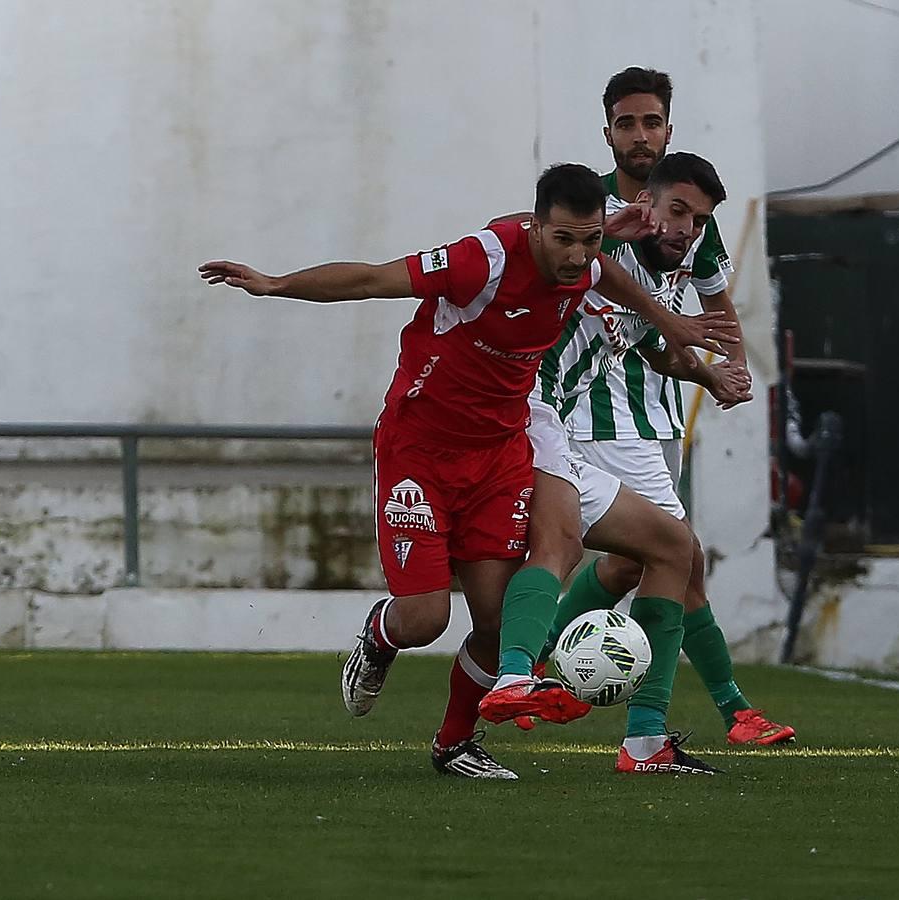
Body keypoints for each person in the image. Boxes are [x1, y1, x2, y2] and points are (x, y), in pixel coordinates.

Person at [200, 163, 740, 779]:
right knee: (426, 619)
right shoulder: (483, 259)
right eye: (562, 239)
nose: (576, 257)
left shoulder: (587, 263)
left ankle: (455, 742)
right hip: (420, 452)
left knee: (494, 619)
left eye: (589, 240)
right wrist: (275, 284)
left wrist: (676, 327)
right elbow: (375, 278)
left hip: (500, 455)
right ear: (537, 226)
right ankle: (382, 634)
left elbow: (613, 278)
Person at [535, 69, 797, 749]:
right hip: (593, 413)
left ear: (666, 131)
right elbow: (637, 318)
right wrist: (698, 364)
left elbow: (711, 310)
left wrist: (726, 371)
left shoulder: (688, 215)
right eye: (627, 124)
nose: (640, 135)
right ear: (610, 135)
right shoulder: (590, 219)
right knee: (676, 554)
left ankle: (541, 669)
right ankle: (707, 716)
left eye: (651, 122)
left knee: (636, 562)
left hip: (656, 414)